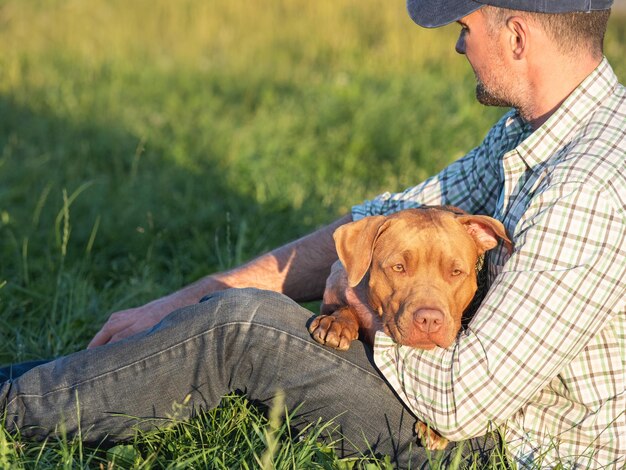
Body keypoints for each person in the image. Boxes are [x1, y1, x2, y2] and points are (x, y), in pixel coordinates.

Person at [1, 0, 624, 467]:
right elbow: (379, 224)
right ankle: (38, 385)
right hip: (462, 388)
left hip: (501, 441)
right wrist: (176, 304)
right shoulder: (531, 133)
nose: (460, 48)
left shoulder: (587, 187)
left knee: (239, 330)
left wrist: (359, 299)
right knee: (230, 315)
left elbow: (463, 400)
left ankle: (12, 407)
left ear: (516, 35)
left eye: (465, 28)